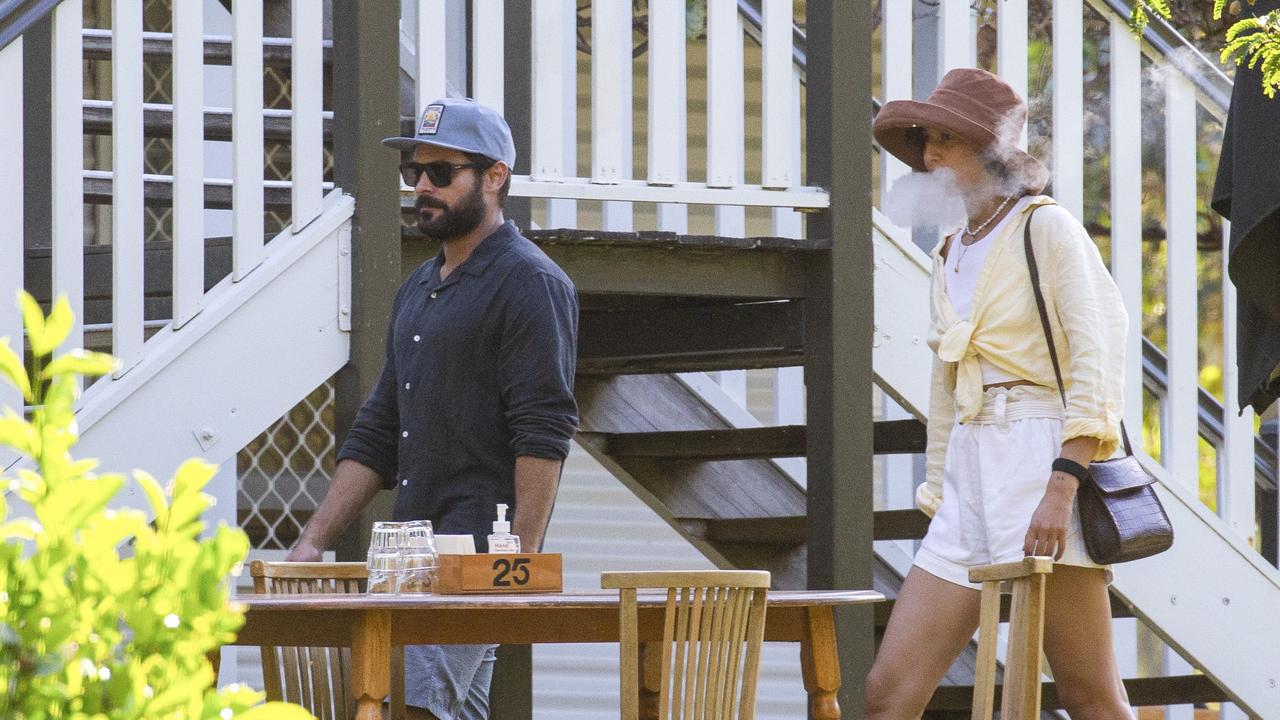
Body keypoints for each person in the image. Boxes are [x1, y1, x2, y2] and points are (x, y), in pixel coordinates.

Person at [287, 97, 580, 720]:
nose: (422, 186)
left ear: (495, 178)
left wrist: (516, 571)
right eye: (414, 173)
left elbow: (543, 433)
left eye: (441, 174)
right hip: (409, 559)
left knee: (406, 710)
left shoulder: (531, 284)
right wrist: (313, 542)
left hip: (475, 564)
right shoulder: (417, 289)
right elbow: (376, 433)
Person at [866, 68, 1134, 719]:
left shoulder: (1047, 229)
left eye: (944, 142)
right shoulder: (952, 249)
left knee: (1089, 695)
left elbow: (1100, 352)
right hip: (971, 471)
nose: (928, 157)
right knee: (886, 695)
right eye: (925, 141)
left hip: (1044, 459)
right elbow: (946, 379)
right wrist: (939, 484)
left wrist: (1064, 483)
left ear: (988, 151)